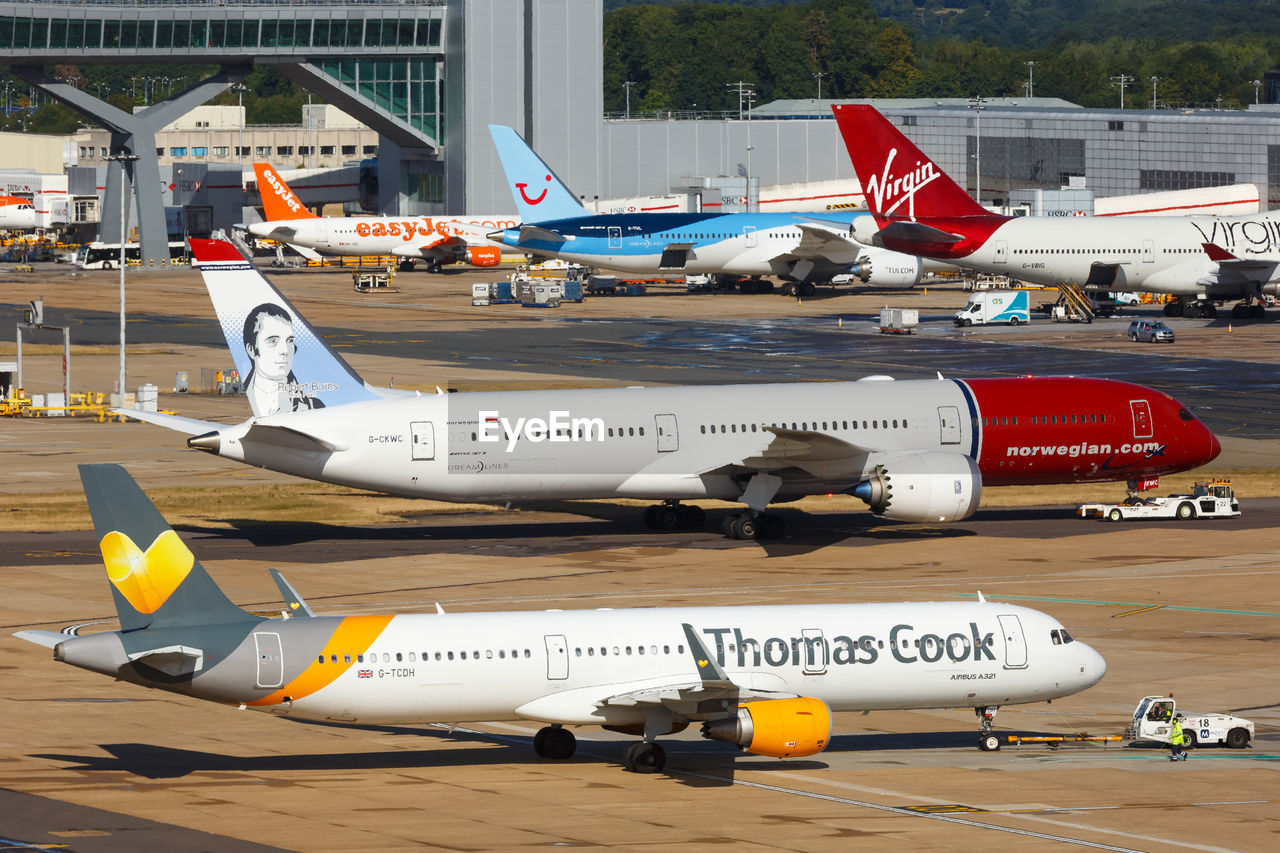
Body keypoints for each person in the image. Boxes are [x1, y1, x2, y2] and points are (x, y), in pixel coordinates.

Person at [241, 302, 326, 416]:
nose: (285, 350)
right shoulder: (244, 394)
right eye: (273, 341)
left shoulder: (313, 406)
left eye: (289, 340)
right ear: (251, 350)